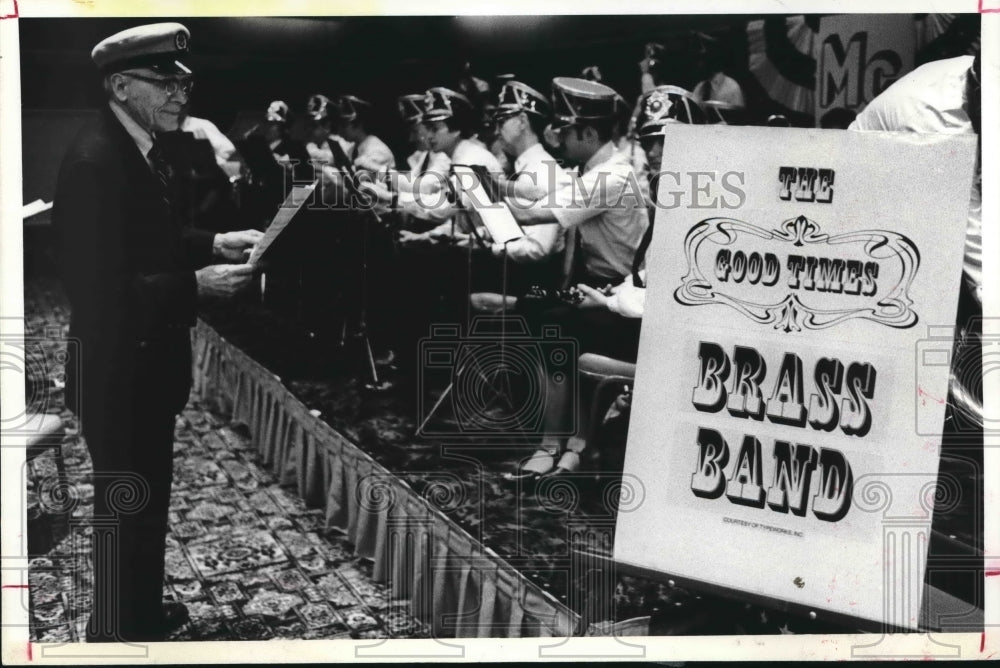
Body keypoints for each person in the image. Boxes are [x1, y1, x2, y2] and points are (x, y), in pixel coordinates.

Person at [52, 22, 262, 642]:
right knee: (127, 508)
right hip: (119, 372)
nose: (181, 93)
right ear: (121, 84)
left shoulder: (135, 146)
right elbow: (99, 287)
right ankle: (114, 633)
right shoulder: (96, 160)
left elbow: (147, 241)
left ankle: (136, 612)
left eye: (185, 80)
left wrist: (213, 241)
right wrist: (196, 284)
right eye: (164, 80)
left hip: (140, 366)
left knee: (142, 506)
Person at [502, 77, 649, 480]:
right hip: (597, 284)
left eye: (566, 132)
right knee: (537, 307)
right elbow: (540, 197)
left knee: (554, 324)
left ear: (588, 132)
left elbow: (534, 214)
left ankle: (560, 446)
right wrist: (492, 187)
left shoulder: (612, 177)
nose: (557, 139)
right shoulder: (593, 170)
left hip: (623, 296)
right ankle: (565, 444)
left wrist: (482, 195)